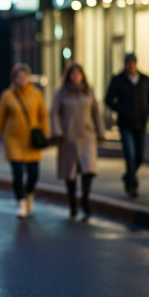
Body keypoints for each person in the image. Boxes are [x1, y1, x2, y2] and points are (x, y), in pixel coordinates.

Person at [0, 63, 49, 218]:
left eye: (24, 76)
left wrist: (45, 133)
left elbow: (43, 115)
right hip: (13, 140)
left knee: (33, 174)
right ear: (14, 78)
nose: (21, 79)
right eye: (18, 77)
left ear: (28, 77)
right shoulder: (7, 95)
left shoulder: (36, 94)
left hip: (31, 141)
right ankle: (21, 203)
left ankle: (29, 192)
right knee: (17, 174)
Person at [51, 63, 105, 219]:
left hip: (87, 135)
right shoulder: (61, 92)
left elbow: (96, 112)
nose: (75, 76)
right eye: (72, 73)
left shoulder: (88, 91)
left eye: (78, 73)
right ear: (68, 76)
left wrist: (100, 132)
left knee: (89, 169)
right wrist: (57, 131)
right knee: (70, 172)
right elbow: (54, 112)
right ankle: (73, 203)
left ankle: (86, 200)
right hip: (68, 136)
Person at [105, 53, 149, 198]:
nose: (131, 66)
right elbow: (108, 99)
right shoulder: (118, 80)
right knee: (130, 153)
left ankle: (129, 176)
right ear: (125, 64)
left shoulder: (144, 79)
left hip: (141, 123)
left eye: (133, 63)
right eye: (128, 63)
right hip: (125, 123)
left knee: (140, 155)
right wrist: (121, 110)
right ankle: (132, 185)